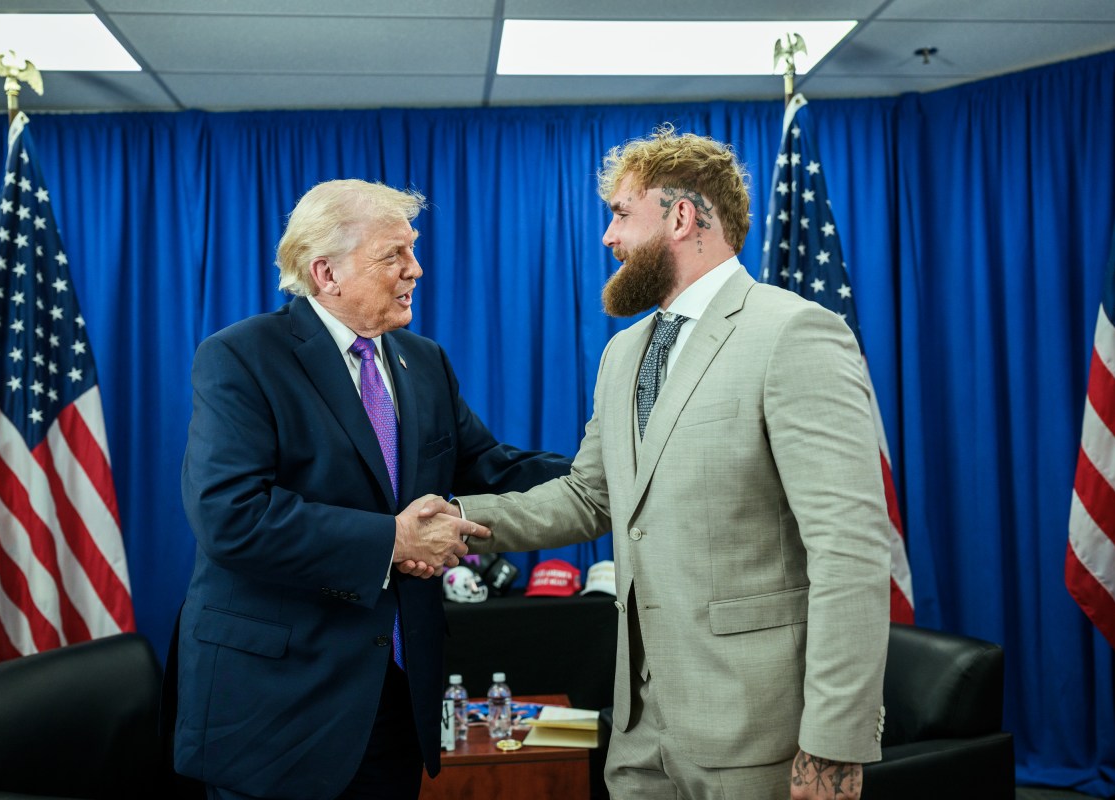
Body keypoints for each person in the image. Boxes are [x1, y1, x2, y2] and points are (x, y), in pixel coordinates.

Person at [434, 125, 890, 799]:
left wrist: (833, 744)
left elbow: (848, 549)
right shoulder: (624, 354)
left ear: (682, 216)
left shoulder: (793, 332)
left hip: (760, 732)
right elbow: (591, 497)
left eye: (621, 214)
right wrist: (455, 521)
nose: (607, 238)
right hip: (641, 732)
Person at [172, 179, 570, 800]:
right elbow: (231, 516)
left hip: (394, 700)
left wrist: (616, 474)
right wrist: (392, 538)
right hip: (277, 713)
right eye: (394, 255)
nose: (416, 268)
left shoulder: (423, 360)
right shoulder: (241, 357)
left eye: (411, 249)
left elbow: (493, 468)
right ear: (325, 272)